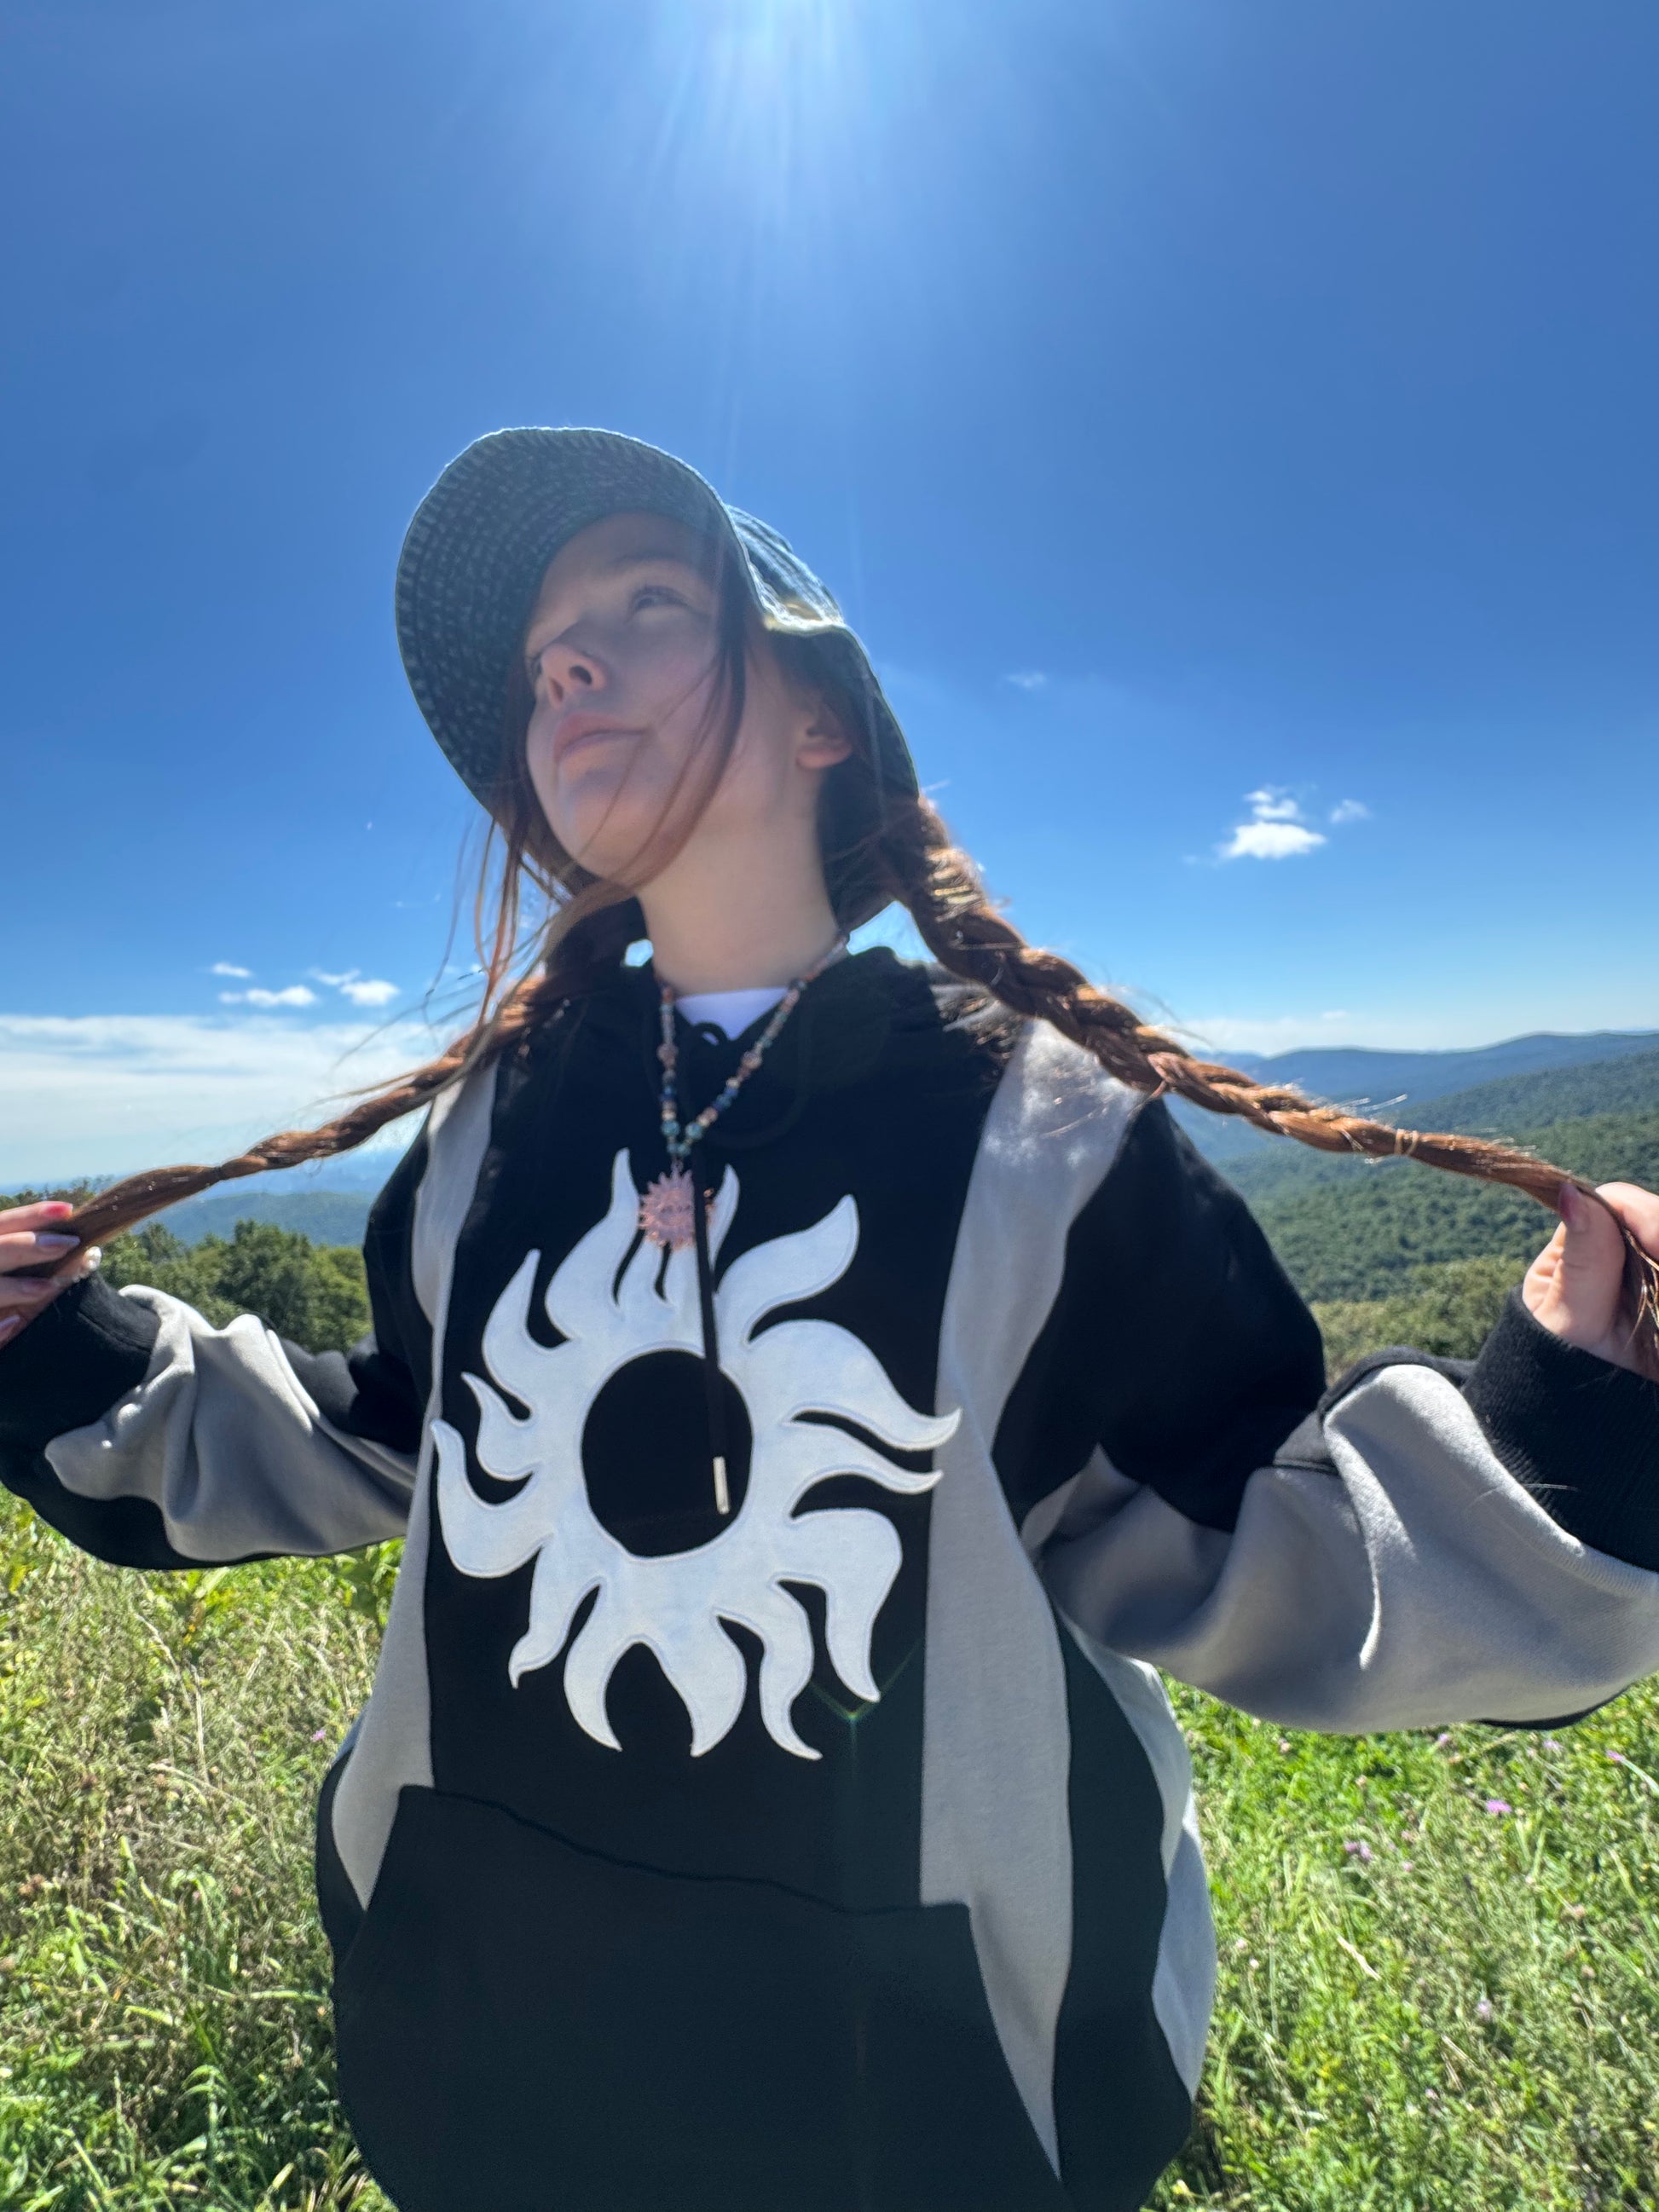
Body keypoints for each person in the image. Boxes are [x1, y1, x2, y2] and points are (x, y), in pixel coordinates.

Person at [2, 427, 1656, 2212]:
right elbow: (392, 1437)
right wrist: (58, 1347)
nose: (567, 665)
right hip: (483, 2072)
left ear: (821, 718)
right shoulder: (490, 1131)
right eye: (545, 653)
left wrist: (1565, 1430)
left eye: (647, 603)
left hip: (934, 2116)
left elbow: (1254, 1538)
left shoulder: (1042, 1136)